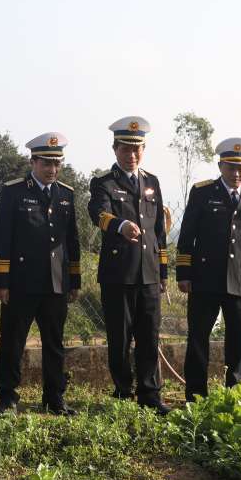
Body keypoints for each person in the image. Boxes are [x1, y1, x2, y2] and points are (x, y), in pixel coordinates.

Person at [0, 131, 81, 414]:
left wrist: (74, 280)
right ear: (33, 162)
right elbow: (2, 238)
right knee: (13, 343)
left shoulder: (65, 194)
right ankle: (8, 398)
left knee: (54, 344)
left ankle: (54, 398)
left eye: (57, 164)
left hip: (56, 283)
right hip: (21, 282)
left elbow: (72, 241)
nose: (52, 169)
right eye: (46, 163)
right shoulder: (14, 191)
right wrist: (1, 281)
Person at [87, 116, 171, 414]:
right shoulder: (104, 183)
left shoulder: (152, 182)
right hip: (118, 273)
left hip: (148, 273)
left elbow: (159, 231)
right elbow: (98, 213)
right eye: (125, 148)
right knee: (120, 337)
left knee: (149, 336)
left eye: (137, 149)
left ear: (143, 150)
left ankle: (150, 394)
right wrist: (120, 225)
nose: (131, 154)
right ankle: (123, 391)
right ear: (115, 149)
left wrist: (163, 272)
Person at [176, 137, 241, 395]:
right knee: (198, 340)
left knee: (238, 343)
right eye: (231, 167)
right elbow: (187, 236)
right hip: (205, 279)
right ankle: (196, 396)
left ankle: (234, 394)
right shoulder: (202, 192)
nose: (236, 173)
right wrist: (183, 273)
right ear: (220, 166)